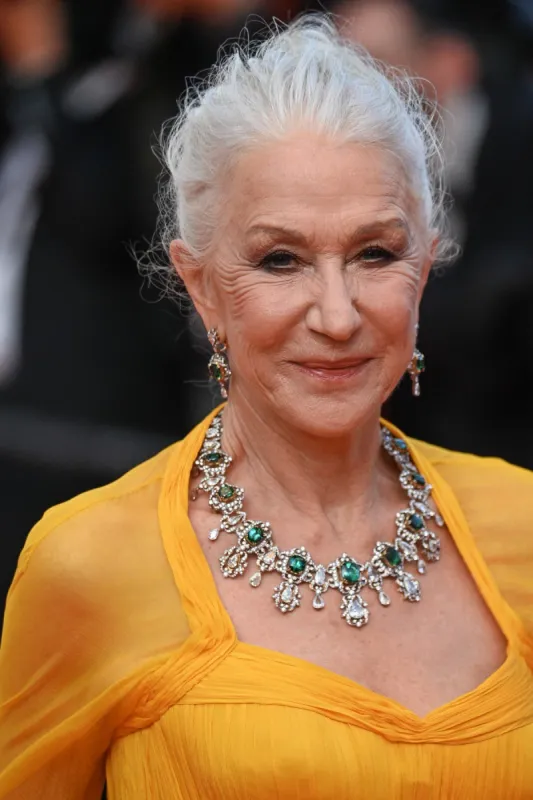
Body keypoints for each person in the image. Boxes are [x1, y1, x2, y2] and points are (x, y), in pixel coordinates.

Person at [1, 16, 532, 799]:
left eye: (374, 254)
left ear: (423, 269)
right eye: (279, 260)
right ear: (202, 287)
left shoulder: (520, 521)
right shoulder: (87, 565)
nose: (337, 313)